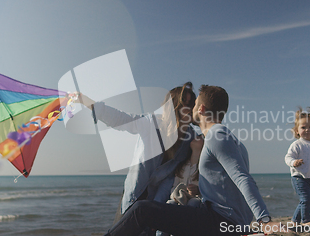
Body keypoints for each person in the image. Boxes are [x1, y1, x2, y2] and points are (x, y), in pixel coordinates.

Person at [104, 85, 284, 236]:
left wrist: (264, 220)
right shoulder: (229, 139)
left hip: (222, 221)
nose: (191, 109)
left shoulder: (217, 135)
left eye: (195, 104)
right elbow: (227, 182)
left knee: (142, 210)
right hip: (223, 218)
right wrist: (202, 188)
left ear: (202, 109)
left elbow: (242, 178)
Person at [76, 82, 198, 228]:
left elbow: (196, 165)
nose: (189, 109)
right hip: (134, 193)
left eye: (192, 104)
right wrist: (89, 103)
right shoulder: (151, 123)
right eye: (185, 103)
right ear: (173, 106)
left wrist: (199, 188)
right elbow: (122, 119)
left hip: (159, 200)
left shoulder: (191, 139)